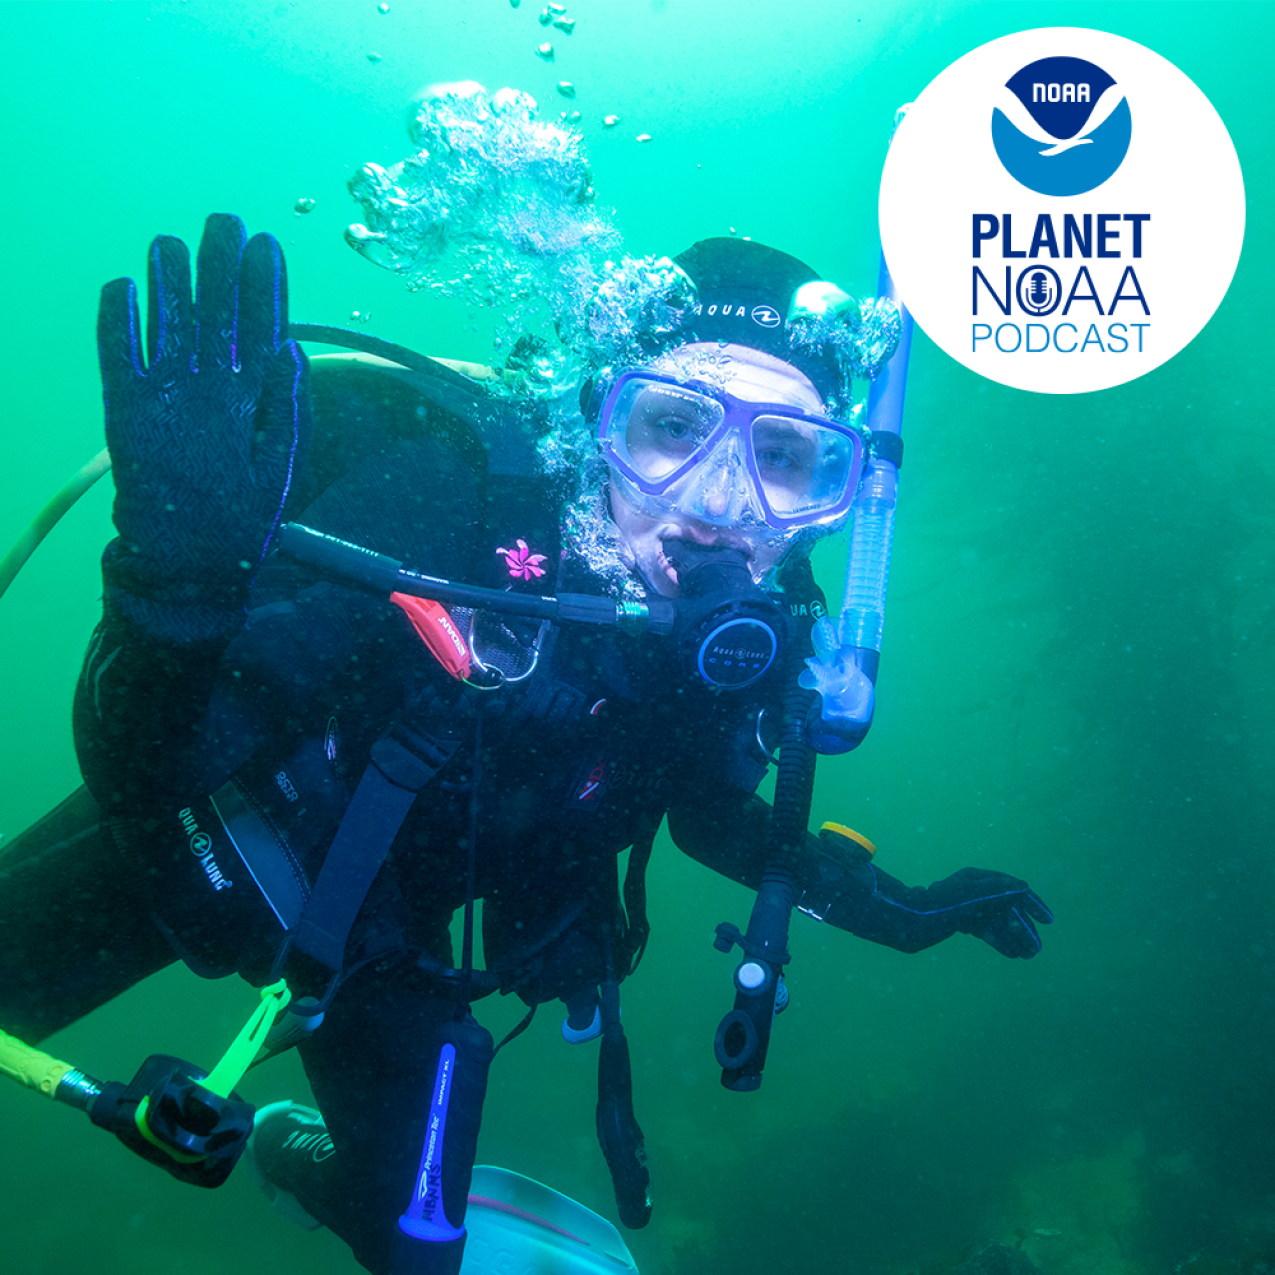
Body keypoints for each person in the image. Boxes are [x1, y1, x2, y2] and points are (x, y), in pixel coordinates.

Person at [0, 213, 1051, 1275]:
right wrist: (169, 602)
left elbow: (712, 814)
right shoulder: (444, 505)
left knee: (415, 1249)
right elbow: (147, 764)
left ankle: (287, 1150)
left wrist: (900, 911)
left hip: (384, 936)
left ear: (834, 499)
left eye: (785, 459)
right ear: (597, 423)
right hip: (212, 833)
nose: (717, 509)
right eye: (676, 430)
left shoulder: (743, 634)